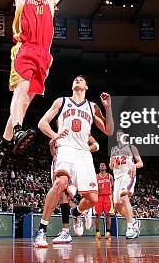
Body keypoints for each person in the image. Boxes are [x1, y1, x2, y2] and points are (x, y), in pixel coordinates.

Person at [0, 0, 58, 170]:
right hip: (25, 50)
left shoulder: (49, 1)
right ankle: (18, 129)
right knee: (20, 91)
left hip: (44, 55)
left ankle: (2, 146)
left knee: (24, 104)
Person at [33, 76, 114, 248]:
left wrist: (108, 108)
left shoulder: (92, 107)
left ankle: (76, 212)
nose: (78, 80)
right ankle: (42, 230)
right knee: (60, 182)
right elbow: (42, 123)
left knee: (92, 198)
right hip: (66, 148)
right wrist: (55, 135)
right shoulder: (61, 101)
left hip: (83, 153)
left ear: (86, 86)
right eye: (75, 79)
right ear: (72, 85)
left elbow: (109, 130)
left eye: (81, 79)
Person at [49, 134, 99, 244]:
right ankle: (76, 217)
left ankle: (74, 218)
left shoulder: (82, 129)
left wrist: (85, 149)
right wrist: (51, 146)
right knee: (62, 197)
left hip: (76, 165)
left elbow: (96, 145)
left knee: (68, 195)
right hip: (59, 164)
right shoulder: (59, 134)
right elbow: (54, 155)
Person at [110, 129, 144, 239]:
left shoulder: (132, 147)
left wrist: (134, 165)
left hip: (127, 176)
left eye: (121, 134)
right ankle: (134, 221)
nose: (119, 136)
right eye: (118, 135)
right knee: (117, 206)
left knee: (124, 197)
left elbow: (140, 163)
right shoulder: (113, 149)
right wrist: (111, 164)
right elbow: (111, 166)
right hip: (117, 178)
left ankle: (130, 229)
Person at [93, 162, 114, 239]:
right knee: (97, 215)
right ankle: (97, 232)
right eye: (100, 165)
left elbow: (112, 185)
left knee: (108, 214)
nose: (102, 166)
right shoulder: (96, 176)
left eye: (103, 165)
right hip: (98, 197)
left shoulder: (109, 176)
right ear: (99, 167)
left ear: (106, 167)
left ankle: (108, 232)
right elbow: (93, 185)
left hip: (107, 196)